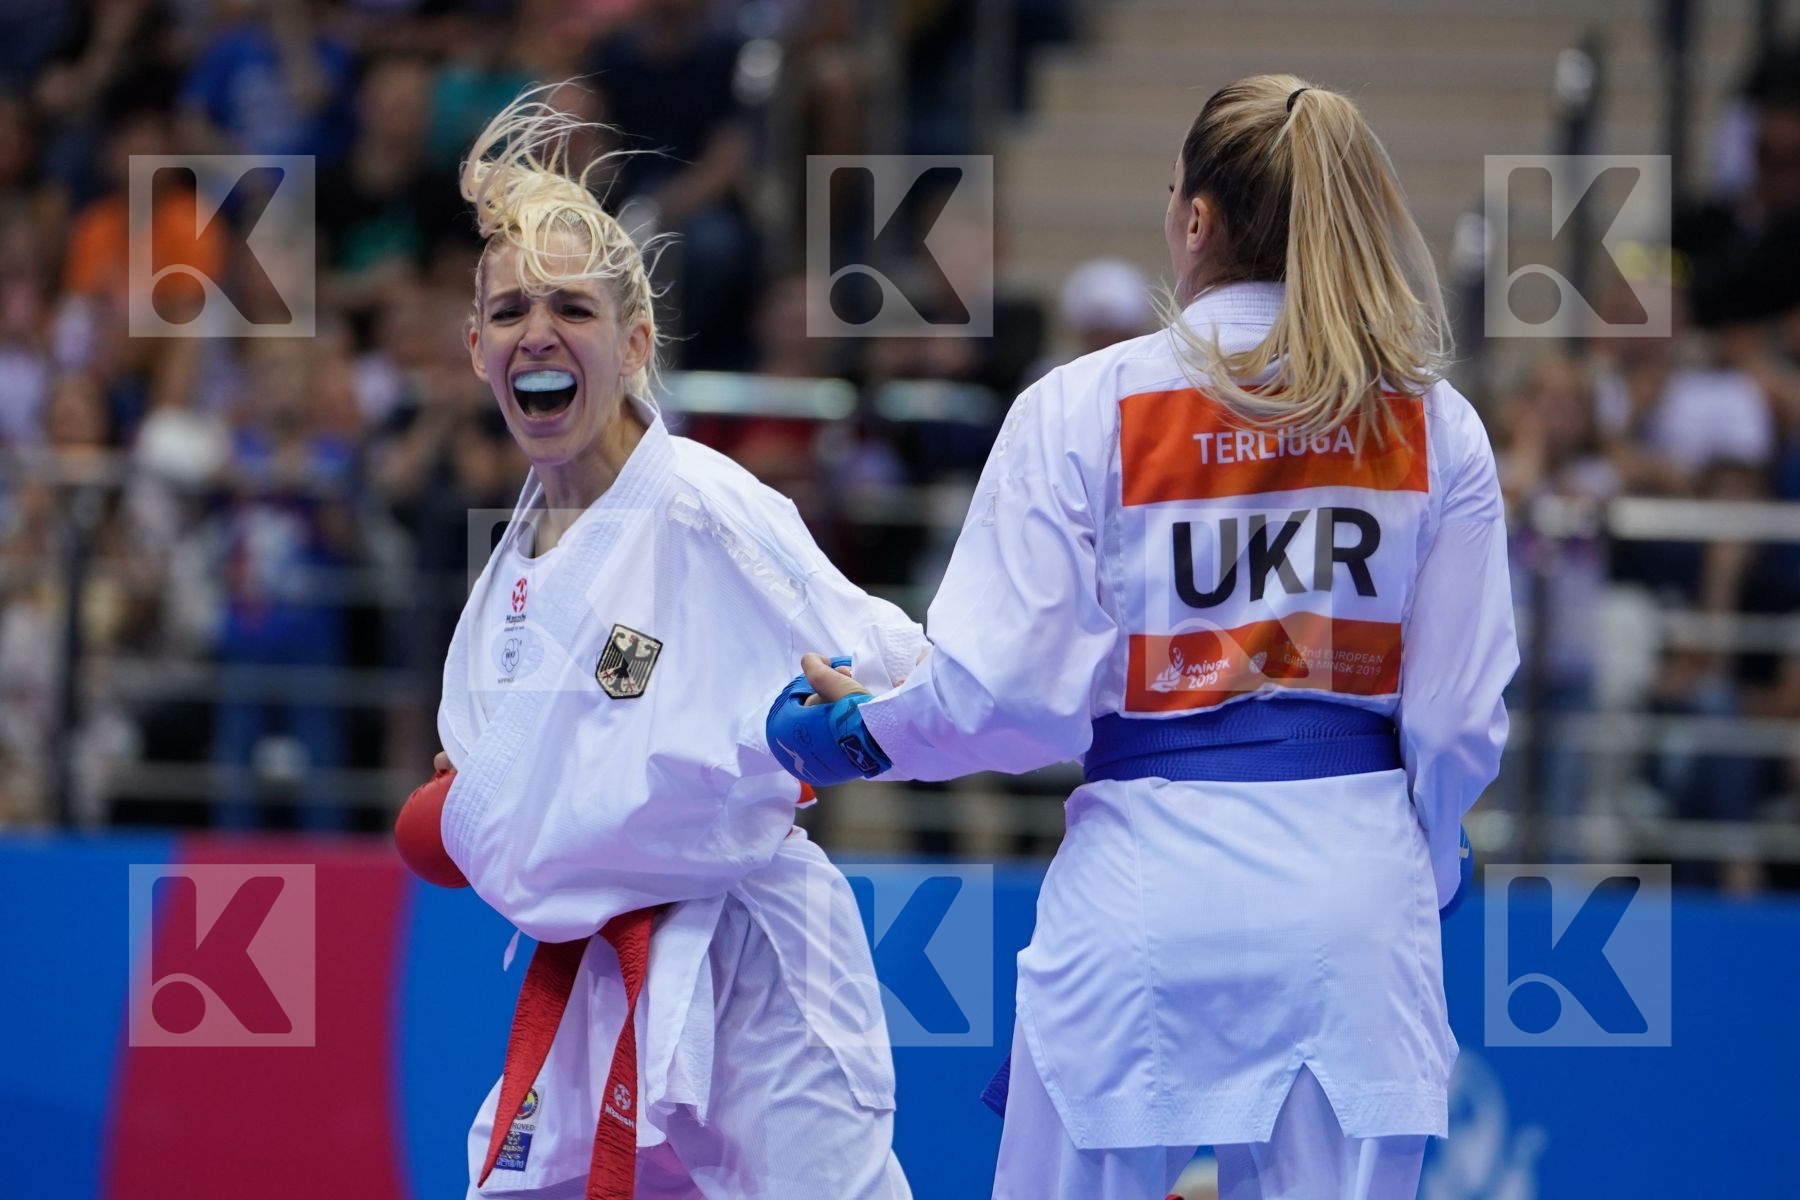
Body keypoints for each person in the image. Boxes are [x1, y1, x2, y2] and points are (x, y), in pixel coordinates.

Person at [767, 75, 1516, 1200]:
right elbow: (1458, 724)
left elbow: (1009, 698)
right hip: (1355, 902)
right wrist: (1435, 850)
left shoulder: (1083, 407)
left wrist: (865, 736)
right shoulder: (1431, 422)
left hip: (1142, 893)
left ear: (1197, 220)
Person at [392, 88, 918, 1200]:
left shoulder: (701, 504)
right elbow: (495, 786)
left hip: (755, 962)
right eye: (510, 312)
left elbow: (892, 659)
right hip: (597, 975)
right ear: (477, 349)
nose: (537, 332)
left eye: (572, 310)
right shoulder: (515, 564)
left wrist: (843, 729)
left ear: (634, 342)